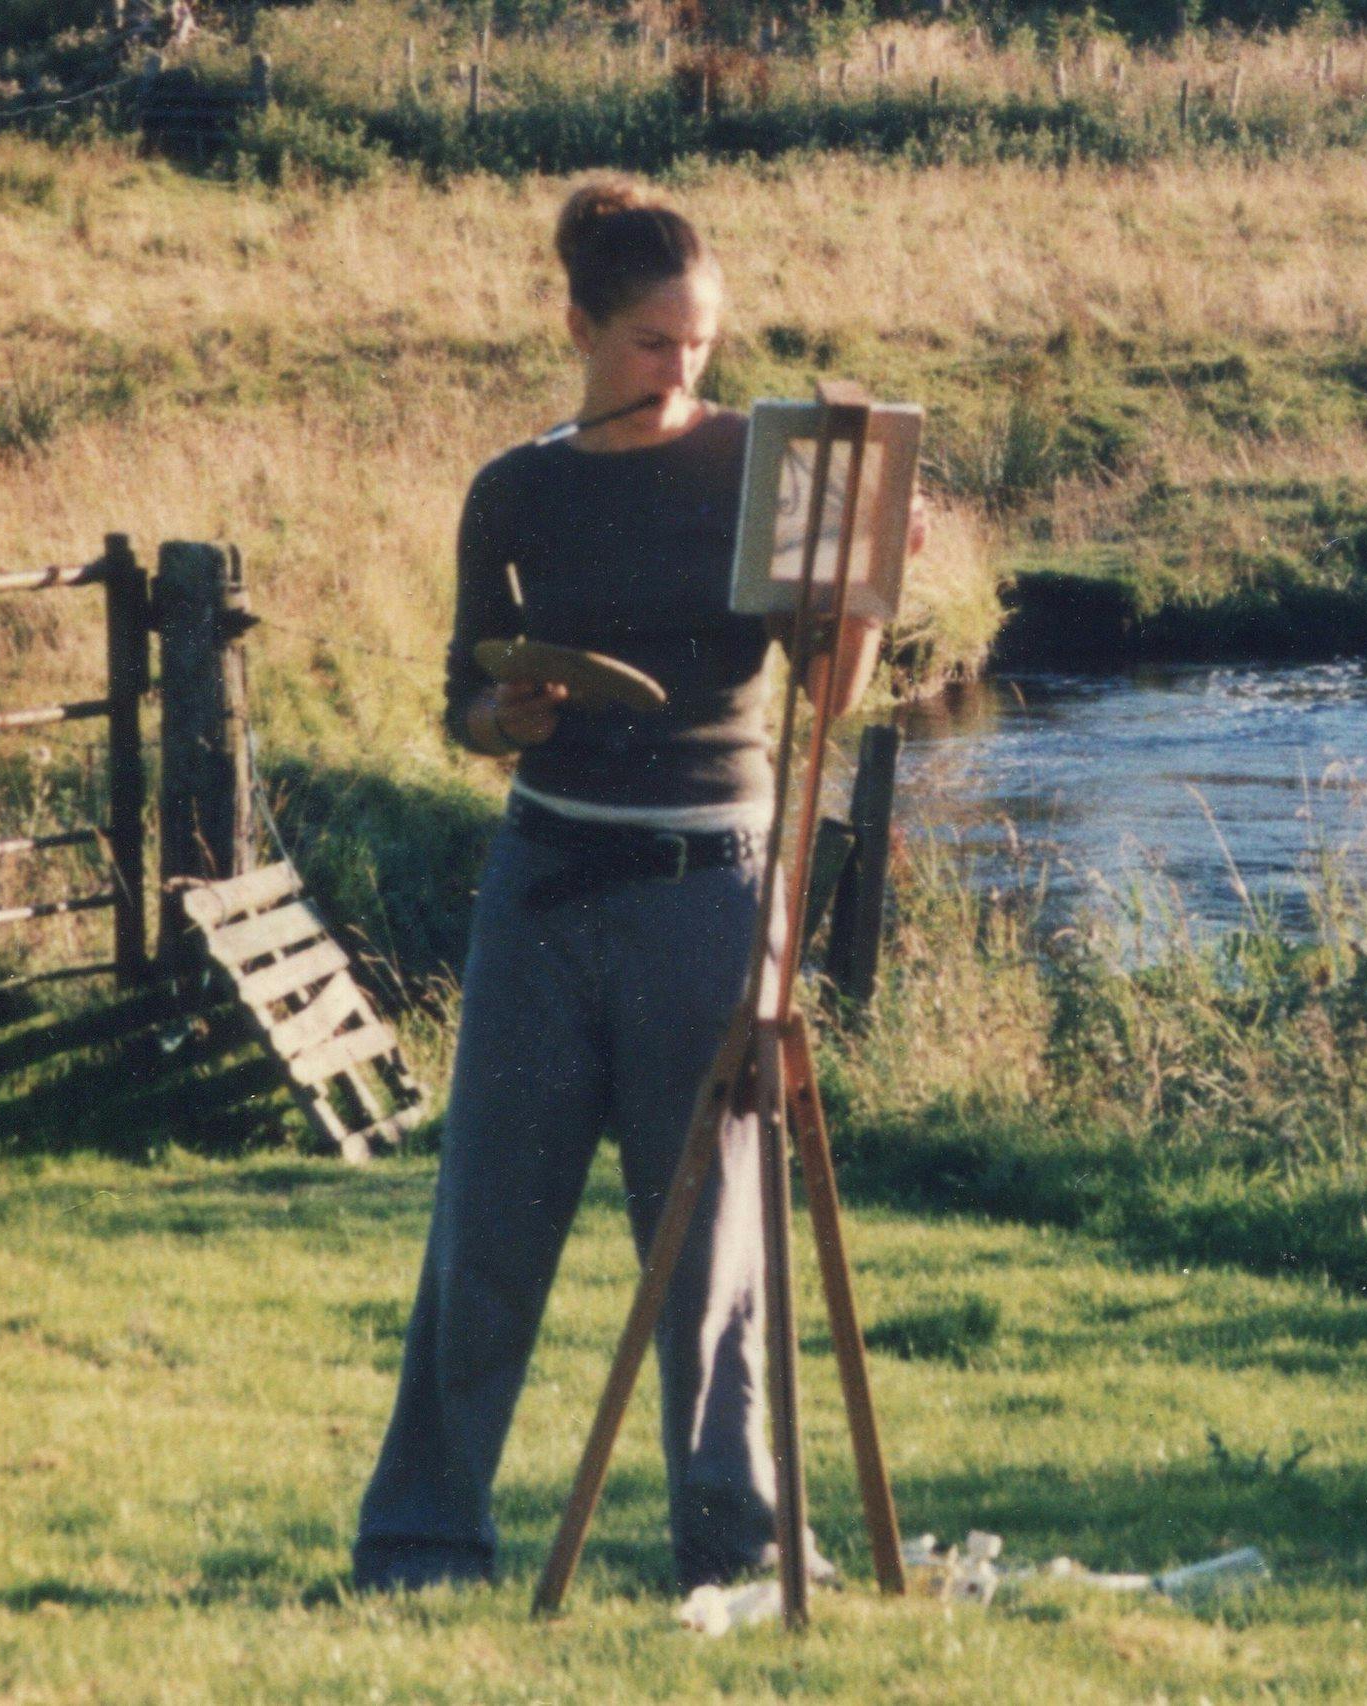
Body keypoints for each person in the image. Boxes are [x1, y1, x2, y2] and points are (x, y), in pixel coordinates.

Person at [352, 178, 895, 1596]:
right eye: (654, 341)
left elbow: (823, 696)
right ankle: (420, 1543)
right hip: (542, 887)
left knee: (710, 1241)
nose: (682, 369)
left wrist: (852, 601)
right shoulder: (515, 488)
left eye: (701, 342)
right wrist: (503, 721)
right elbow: (462, 705)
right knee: (487, 1223)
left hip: (706, 884)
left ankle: (735, 1545)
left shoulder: (764, 472)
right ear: (580, 325)